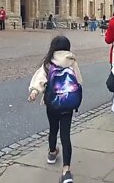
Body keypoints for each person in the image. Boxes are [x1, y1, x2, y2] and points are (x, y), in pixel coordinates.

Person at [28, 36, 82, 183]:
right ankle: (66, 171)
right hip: (68, 104)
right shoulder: (72, 61)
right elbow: (79, 81)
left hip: (52, 103)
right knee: (66, 135)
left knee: (53, 129)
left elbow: (40, 79)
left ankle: (52, 153)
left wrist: (34, 92)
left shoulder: (48, 62)